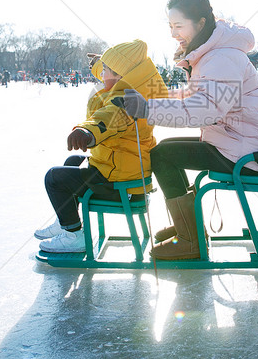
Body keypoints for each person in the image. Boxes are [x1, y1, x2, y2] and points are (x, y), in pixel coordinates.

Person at [116, 0, 258, 260]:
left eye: (179, 25)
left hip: (245, 152)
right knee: (166, 151)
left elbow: (205, 109)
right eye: (170, 26)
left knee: (164, 155)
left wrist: (147, 108)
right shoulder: (212, 54)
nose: (173, 33)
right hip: (237, 140)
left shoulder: (221, 57)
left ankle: (190, 240)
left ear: (201, 23)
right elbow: (195, 96)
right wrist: (150, 99)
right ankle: (188, 227)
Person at [34, 40, 168, 253]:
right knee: (73, 162)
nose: (101, 73)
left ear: (120, 76)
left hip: (121, 184)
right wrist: (98, 63)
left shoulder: (126, 100)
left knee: (54, 178)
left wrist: (87, 131)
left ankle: (73, 235)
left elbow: (108, 118)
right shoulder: (136, 84)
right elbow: (112, 73)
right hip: (125, 169)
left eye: (105, 70)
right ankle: (66, 221)